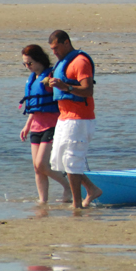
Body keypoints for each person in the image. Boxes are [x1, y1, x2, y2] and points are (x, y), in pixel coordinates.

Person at [46, 30, 102, 208]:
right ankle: (91, 189)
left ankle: (77, 203)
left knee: (72, 160)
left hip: (80, 119)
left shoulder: (80, 61)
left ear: (66, 43)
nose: (54, 53)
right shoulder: (62, 63)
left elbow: (88, 90)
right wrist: (48, 82)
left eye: (56, 48)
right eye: (52, 50)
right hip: (64, 118)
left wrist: (66, 88)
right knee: (59, 160)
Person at [19, 44, 72, 204]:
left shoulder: (50, 76)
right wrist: (27, 125)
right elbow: (34, 107)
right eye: (25, 64)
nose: (28, 67)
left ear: (39, 60)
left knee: (42, 164)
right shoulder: (32, 78)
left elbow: (63, 94)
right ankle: (43, 202)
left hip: (52, 125)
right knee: (37, 168)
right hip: (36, 126)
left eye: (30, 63)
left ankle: (68, 186)